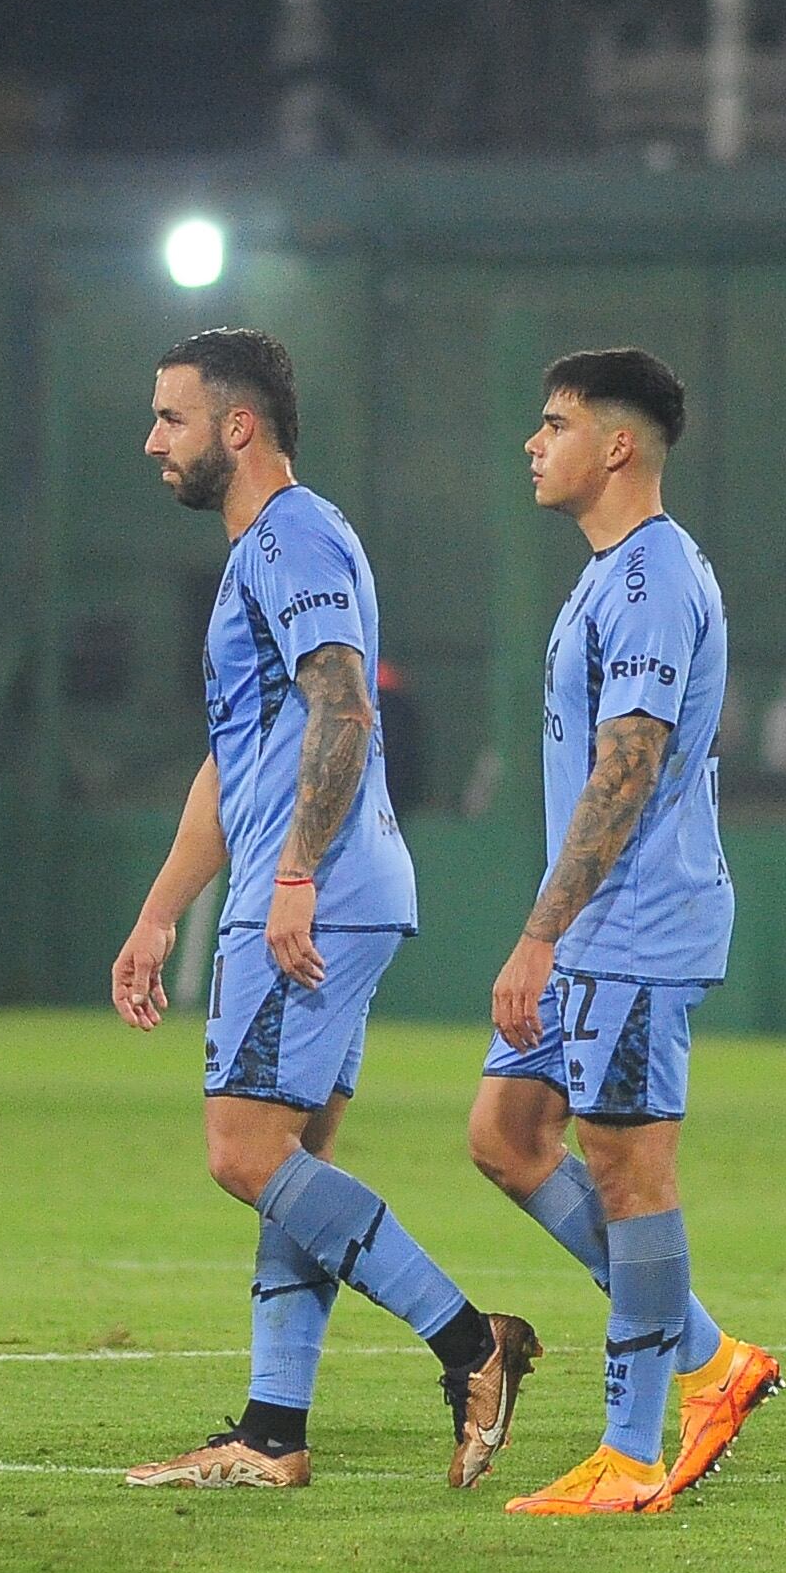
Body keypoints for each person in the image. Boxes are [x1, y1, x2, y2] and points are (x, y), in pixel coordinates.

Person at [108, 328, 534, 1492]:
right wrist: (157, 914)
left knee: (243, 1151)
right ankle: (271, 1431)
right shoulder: (258, 552)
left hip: (313, 891)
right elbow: (232, 760)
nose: (152, 439)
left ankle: (469, 1343)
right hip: (321, 885)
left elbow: (340, 708)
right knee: (288, 1162)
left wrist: (291, 873)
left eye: (170, 417)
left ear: (235, 426)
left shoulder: (294, 535)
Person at [475, 348, 776, 1518]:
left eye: (551, 424)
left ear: (616, 446)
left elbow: (630, 761)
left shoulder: (650, 580)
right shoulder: (611, 574)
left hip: (633, 923)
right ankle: (709, 1359)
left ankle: (631, 1450)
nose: (530, 443)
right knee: (506, 1134)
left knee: (627, 1167)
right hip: (593, 924)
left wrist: (540, 935)